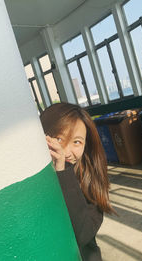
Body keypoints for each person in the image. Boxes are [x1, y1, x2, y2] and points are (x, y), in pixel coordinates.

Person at [40, 102, 114, 261]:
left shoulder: (90, 179)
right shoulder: (37, 178)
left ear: (86, 145)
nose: (65, 152)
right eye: (59, 139)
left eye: (77, 142)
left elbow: (83, 234)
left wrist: (62, 172)